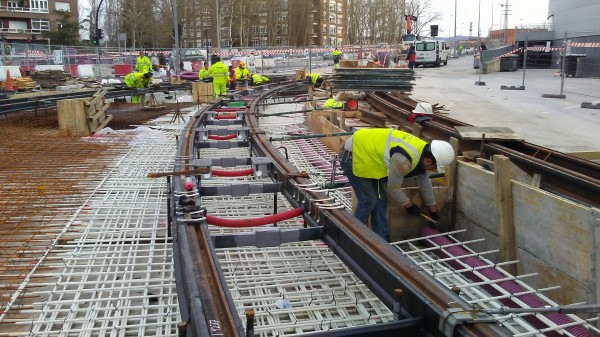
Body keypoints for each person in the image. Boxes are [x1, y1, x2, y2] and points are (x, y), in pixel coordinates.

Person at [338, 129, 455, 241]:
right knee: (368, 200)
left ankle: (382, 240)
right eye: (433, 168)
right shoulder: (403, 160)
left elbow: (425, 182)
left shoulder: (424, 152)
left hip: (369, 157)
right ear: (429, 161)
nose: (431, 170)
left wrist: (433, 210)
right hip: (353, 155)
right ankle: (353, 237)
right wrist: (409, 205)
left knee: (380, 199)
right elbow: (393, 189)